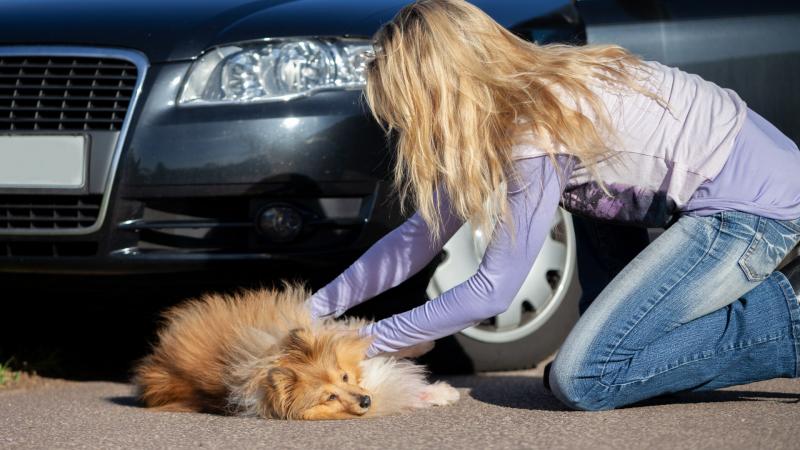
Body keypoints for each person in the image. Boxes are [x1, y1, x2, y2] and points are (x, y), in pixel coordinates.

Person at [304, 0, 800, 411]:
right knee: (605, 358)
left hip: (752, 209)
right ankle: (616, 342)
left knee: (585, 380)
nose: (411, 129)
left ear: (444, 93)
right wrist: (313, 311)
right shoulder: (518, 100)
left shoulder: (532, 131)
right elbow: (419, 237)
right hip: (731, 190)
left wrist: (364, 343)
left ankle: (790, 321)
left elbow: (491, 293)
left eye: (411, 111)